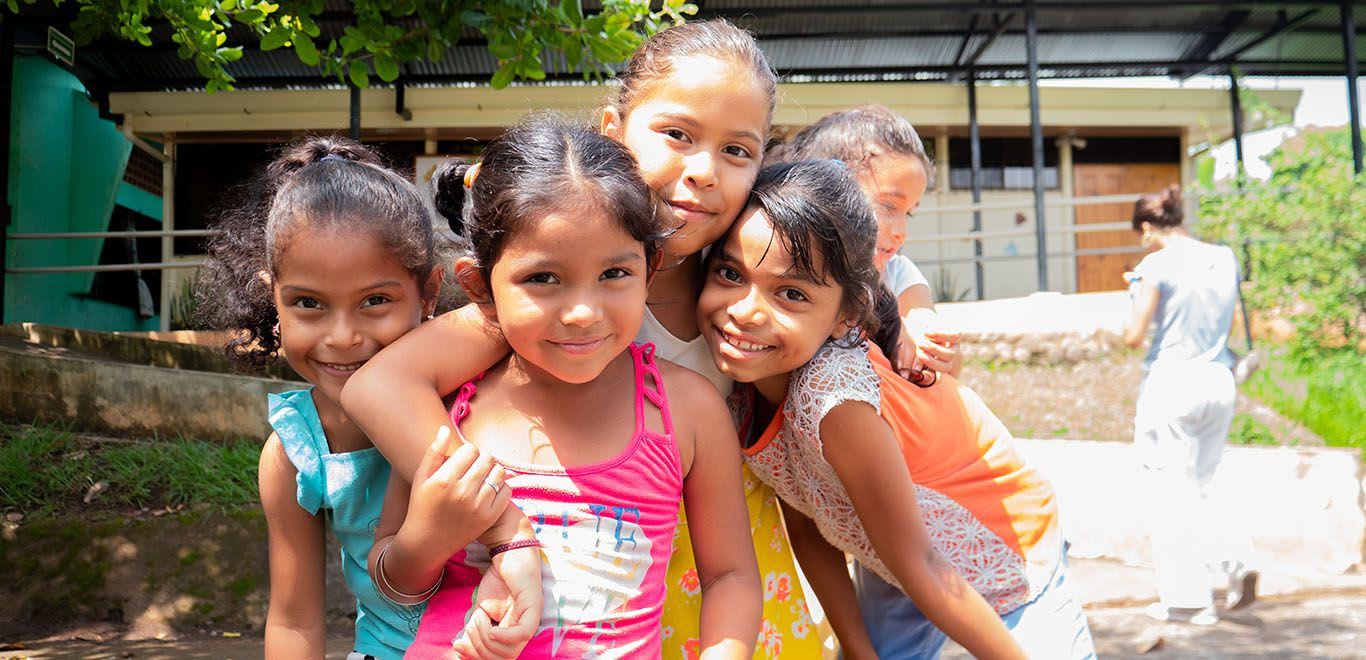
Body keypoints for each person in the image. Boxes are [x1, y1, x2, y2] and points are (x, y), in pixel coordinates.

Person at [342, 20, 824, 660]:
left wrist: (907, 317)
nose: (704, 171)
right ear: (612, 132)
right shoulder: (512, 322)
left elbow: (843, 292)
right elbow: (380, 387)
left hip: (680, 587)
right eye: (677, 134)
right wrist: (501, 528)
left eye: (738, 150)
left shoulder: (746, 289)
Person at [371, 116, 761, 659]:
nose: (582, 313)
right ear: (479, 286)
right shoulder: (451, 409)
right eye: (543, 279)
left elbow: (731, 577)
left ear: (649, 271)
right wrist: (430, 538)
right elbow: (394, 582)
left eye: (614, 275)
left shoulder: (687, 410)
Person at [697, 160, 1097, 660]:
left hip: (1007, 543)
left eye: (792, 293)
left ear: (846, 315)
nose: (745, 311)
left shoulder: (834, 400)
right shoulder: (734, 394)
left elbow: (925, 565)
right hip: (901, 563)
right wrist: (860, 651)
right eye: (730, 273)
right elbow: (805, 523)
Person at [195, 137, 475, 659]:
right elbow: (296, 620)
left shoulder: (474, 389)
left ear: (430, 293)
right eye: (308, 304)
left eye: (375, 301)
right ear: (271, 296)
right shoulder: (297, 453)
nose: (342, 336)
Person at [1122, 185, 1258, 626]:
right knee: (1205, 481)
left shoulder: (1154, 265)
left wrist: (1132, 293)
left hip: (1172, 383)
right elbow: (1227, 319)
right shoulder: (1224, 258)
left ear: (1147, 228)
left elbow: (1133, 334)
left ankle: (1188, 600)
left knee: (1167, 490)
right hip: (1218, 378)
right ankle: (1237, 560)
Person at [779, 105, 962, 379]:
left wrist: (930, 337)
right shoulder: (786, 265)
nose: (902, 232)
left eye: (908, 212)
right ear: (828, 191)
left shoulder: (898, 272)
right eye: (889, 206)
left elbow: (949, 361)